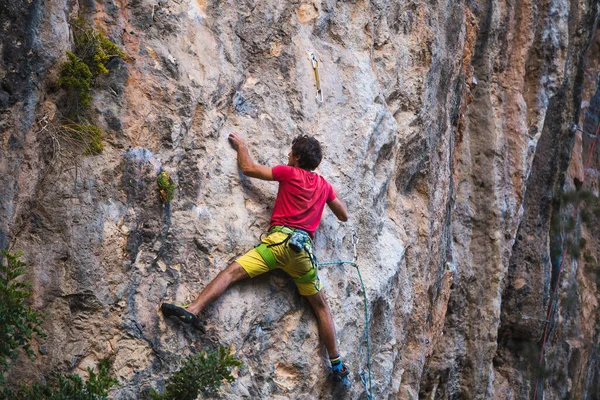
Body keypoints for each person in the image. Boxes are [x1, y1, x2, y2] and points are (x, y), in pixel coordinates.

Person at [161, 132, 350, 380]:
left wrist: (242, 145)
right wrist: (324, 197)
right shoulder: (324, 186)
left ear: (298, 157)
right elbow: (344, 215)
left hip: (276, 243)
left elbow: (248, 168)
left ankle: (193, 309)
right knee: (321, 307)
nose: (288, 156)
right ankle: (336, 363)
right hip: (302, 252)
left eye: (291, 153)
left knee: (231, 273)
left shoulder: (289, 172)